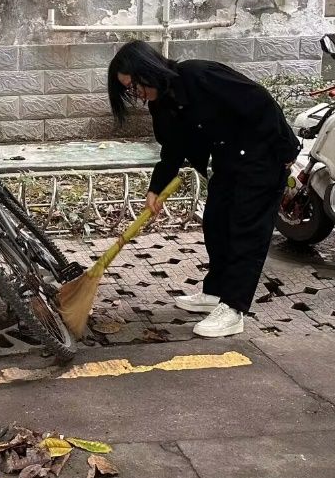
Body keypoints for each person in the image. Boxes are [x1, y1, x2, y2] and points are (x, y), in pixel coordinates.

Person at [107, 42, 300, 338]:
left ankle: (233, 309)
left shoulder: (199, 75)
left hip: (263, 156)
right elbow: (172, 149)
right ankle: (216, 293)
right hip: (228, 161)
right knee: (216, 223)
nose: (136, 94)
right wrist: (156, 188)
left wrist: (287, 150)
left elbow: (260, 102)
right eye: (128, 90)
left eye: (134, 85)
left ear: (147, 68)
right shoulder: (162, 105)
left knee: (246, 232)